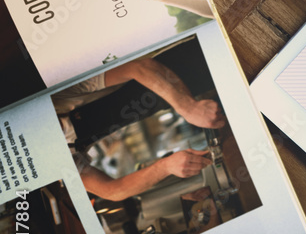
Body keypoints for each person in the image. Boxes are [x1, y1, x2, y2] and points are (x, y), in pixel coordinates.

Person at [53, 55, 225, 201]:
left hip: (181, 66)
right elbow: (112, 191)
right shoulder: (60, 159)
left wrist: (188, 106)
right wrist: (166, 167)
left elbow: (138, 67)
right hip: (170, 103)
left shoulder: (57, 97)